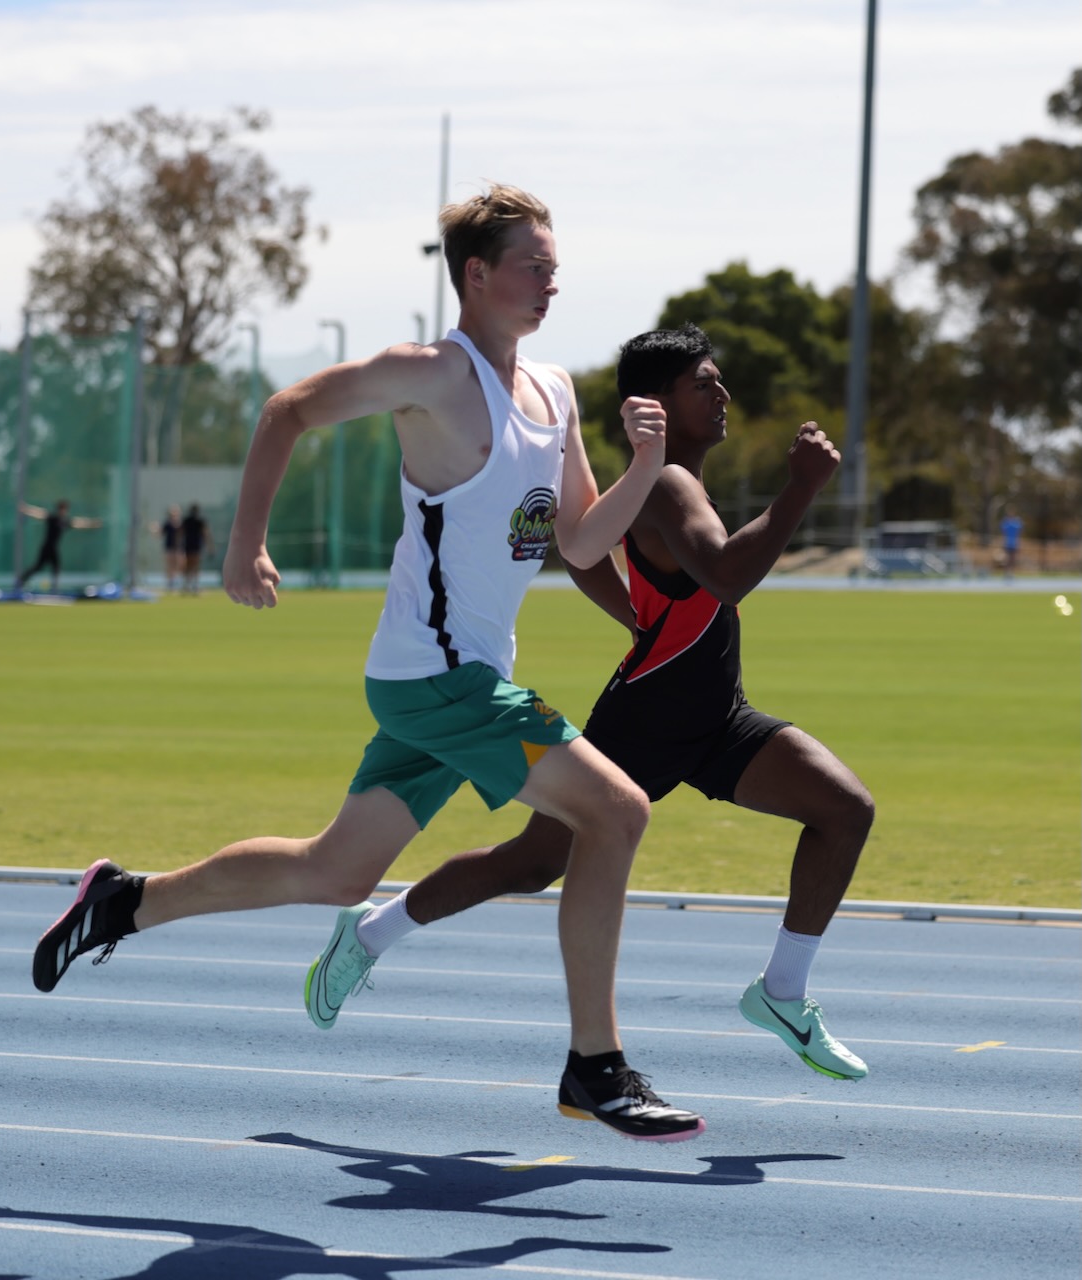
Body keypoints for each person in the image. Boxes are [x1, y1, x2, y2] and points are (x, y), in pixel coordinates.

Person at [31, 184, 704, 1144]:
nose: (552, 282)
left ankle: (123, 902)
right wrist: (242, 544)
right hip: (441, 681)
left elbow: (585, 542)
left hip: (452, 679)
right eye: (534, 265)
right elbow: (286, 409)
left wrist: (644, 467)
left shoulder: (553, 392)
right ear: (477, 274)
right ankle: (594, 1067)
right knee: (617, 809)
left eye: (556, 267)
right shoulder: (428, 375)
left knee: (339, 871)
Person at [318, 323, 876, 1083]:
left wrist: (636, 617)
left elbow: (577, 554)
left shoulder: (667, 483)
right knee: (527, 863)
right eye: (703, 384)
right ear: (657, 403)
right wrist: (801, 488)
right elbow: (725, 574)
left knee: (844, 809)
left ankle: (781, 992)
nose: (722, 396)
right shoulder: (670, 482)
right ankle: (369, 934)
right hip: (644, 723)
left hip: (716, 716)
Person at [15, 499, 102, 593]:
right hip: (46, 547)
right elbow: (40, 514)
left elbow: (79, 523)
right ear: (60, 509)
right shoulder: (53, 518)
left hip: (54, 548)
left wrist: (93, 523)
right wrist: (27, 509)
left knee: (56, 567)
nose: (65, 511)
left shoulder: (65, 521)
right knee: (38, 567)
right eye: (63, 509)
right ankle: (21, 580)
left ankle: (54, 588)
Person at [180, 503, 213, 593]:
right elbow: (206, 534)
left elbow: (180, 533)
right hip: (195, 545)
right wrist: (209, 546)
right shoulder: (199, 520)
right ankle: (193, 585)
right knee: (195, 565)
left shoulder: (189, 520)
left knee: (189, 565)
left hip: (189, 545)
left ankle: (188, 585)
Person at [149, 505, 184, 591]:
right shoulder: (167, 524)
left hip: (178, 548)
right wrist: (154, 529)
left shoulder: (181, 524)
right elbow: (160, 533)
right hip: (169, 548)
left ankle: (177, 581)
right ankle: (170, 583)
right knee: (170, 565)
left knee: (179, 565)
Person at [1000, 509, 1023, 574]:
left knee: (1013, 559)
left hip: (1014, 544)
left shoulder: (1016, 523)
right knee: (1007, 558)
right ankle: (1006, 572)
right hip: (1007, 543)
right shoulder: (1006, 523)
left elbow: (1019, 532)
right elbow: (1003, 532)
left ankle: (1011, 572)